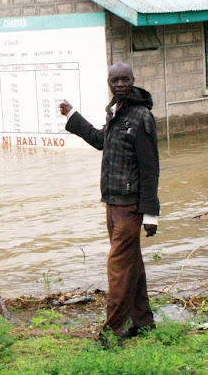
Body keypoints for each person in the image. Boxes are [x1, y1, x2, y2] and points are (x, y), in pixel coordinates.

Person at [59, 61, 160, 343]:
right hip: (112, 203)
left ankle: (110, 332)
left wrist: (150, 213)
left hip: (130, 207)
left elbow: (150, 167)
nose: (119, 85)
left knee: (118, 268)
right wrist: (73, 117)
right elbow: (102, 140)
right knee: (131, 264)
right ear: (109, 82)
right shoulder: (115, 111)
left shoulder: (141, 117)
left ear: (133, 80)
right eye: (114, 80)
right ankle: (143, 323)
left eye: (124, 80)